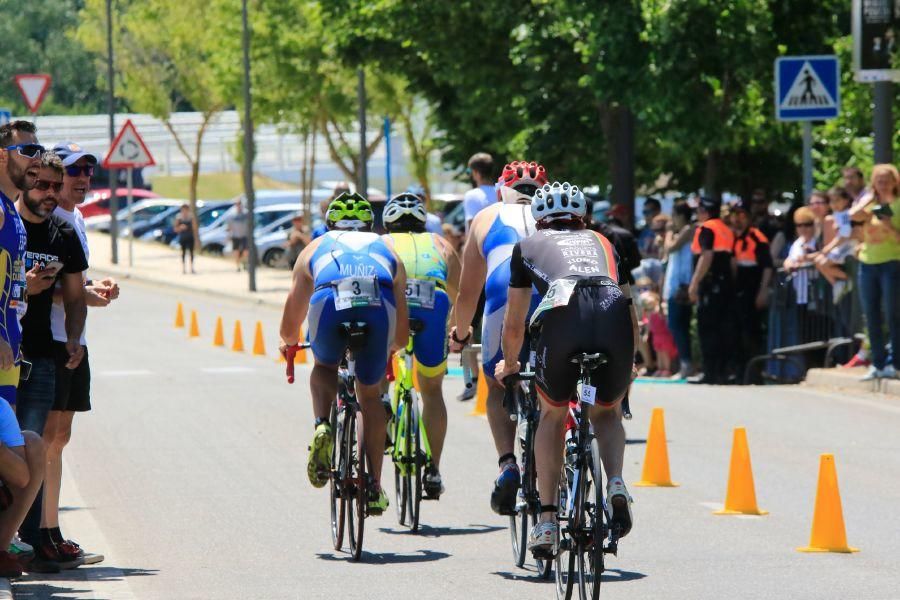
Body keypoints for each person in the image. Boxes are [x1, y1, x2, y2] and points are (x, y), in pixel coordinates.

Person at [495, 181, 636, 555]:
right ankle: (617, 483)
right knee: (607, 414)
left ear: (538, 221)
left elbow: (514, 321)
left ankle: (545, 520)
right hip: (612, 318)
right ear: (583, 217)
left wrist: (509, 364)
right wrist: (631, 361)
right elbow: (628, 305)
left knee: (552, 415)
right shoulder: (605, 242)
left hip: (563, 316)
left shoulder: (526, 246)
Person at [279, 192, 409, 514]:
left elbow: (290, 319)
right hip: (378, 307)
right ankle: (375, 485)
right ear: (370, 224)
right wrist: (391, 347)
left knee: (324, 365)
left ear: (329, 224)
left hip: (329, 304)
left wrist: (289, 341)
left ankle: (322, 424)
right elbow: (402, 335)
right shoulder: (387, 248)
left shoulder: (314, 247)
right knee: (370, 391)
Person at [448, 160, 547, 515]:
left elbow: (467, 292)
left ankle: (508, 463)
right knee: (556, 389)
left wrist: (460, 335)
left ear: (499, 191)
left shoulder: (485, 217)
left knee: (497, 385)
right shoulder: (555, 213)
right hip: (554, 295)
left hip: (502, 296)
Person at [46, 142, 119, 567]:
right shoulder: (51, 219)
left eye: (89, 172)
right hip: (53, 340)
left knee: (60, 439)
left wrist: (94, 290)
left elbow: (76, 283)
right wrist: (88, 296)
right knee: (47, 441)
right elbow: (57, 289)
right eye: (75, 172)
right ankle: (43, 532)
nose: (84, 180)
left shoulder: (76, 219)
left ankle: (49, 530)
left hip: (75, 339)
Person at [15, 151, 88, 570]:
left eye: (54, 188)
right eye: (42, 185)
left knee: (35, 446)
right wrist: (24, 290)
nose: (49, 194)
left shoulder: (63, 233)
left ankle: (30, 539)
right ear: (26, 182)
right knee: (13, 445)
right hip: (8, 349)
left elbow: (75, 296)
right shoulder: (10, 227)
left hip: (42, 354)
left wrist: (74, 338)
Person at [381, 193, 460, 497]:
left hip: (393, 305)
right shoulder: (441, 244)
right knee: (432, 391)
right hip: (433, 304)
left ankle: (383, 400)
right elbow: (460, 292)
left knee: (376, 367)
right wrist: (456, 328)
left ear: (387, 223)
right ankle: (434, 471)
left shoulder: (382, 243)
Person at [849, 164, 900, 380]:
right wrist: (869, 200)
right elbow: (852, 215)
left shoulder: (898, 205)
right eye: (878, 180)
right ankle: (877, 363)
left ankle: (895, 363)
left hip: (892, 262)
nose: (882, 184)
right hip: (868, 263)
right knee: (871, 314)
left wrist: (889, 225)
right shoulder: (869, 205)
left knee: (892, 313)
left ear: (894, 182)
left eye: (886, 180)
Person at [0, 121, 35, 410]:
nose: (36, 159)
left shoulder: (12, 211)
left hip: (11, 348)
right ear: (2, 156)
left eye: (39, 151)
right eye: (27, 150)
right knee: (15, 452)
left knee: (25, 446)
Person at [688, 197, 735, 384]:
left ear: (705, 212)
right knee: (724, 328)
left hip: (710, 286)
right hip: (726, 286)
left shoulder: (706, 228)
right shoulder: (725, 228)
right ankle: (723, 372)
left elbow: (706, 256)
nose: (696, 214)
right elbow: (731, 261)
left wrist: (694, 283)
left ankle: (709, 372)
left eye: (698, 210)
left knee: (707, 329)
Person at [730, 198, 774, 382]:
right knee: (736, 332)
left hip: (752, 288)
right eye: (735, 215)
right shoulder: (730, 236)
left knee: (751, 333)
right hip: (735, 289)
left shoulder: (757, 237)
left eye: (742, 215)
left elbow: (767, 266)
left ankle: (754, 374)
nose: (738, 219)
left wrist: (763, 291)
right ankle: (738, 372)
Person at [661, 202, 695, 378]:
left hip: (682, 286)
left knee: (678, 325)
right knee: (676, 326)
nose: (672, 219)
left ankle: (686, 364)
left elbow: (671, 247)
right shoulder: (678, 233)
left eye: (673, 215)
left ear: (681, 215)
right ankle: (685, 363)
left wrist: (667, 232)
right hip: (675, 286)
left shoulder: (689, 229)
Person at [462, 153, 495, 232]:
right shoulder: (503, 193)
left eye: (469, 171)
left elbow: (472, 230)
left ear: (477, 173)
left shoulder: (472, 195)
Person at [227, 202, 249, 271]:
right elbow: (229, 226)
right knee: (236, 251)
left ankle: (245, 263)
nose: (239, 206)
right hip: (235, 236)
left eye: (240, 204)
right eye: (237, 204)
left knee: (246, 251)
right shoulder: (232, 214)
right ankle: (238, 266)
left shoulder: (246, 213)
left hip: (244, 235)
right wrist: (229, 235)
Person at [175, 204, 196, 274]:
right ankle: (184, 268)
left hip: (190, 236)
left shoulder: (191, 217)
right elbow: (175, 229)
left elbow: (194, 228)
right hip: (183, 237)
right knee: (183, 252)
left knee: (191, 253)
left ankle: (192, 267)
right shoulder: (179, 217)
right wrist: (180, 227)